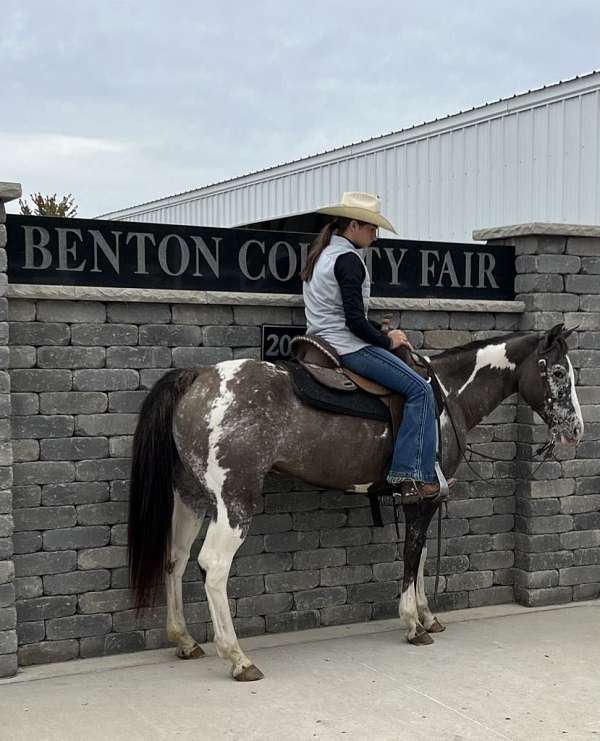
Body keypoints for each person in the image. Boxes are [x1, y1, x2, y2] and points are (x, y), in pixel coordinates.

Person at [301, 192, 441, 499]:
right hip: (348, 347)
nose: (375, 237)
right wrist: (387, 340)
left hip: (320, 341)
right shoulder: (349, 261)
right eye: (371, 229)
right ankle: (411, 475)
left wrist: (382, 330)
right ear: (353, 225)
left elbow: (338, 311)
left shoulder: (322, 255)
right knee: (421, 390)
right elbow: (353, 322)